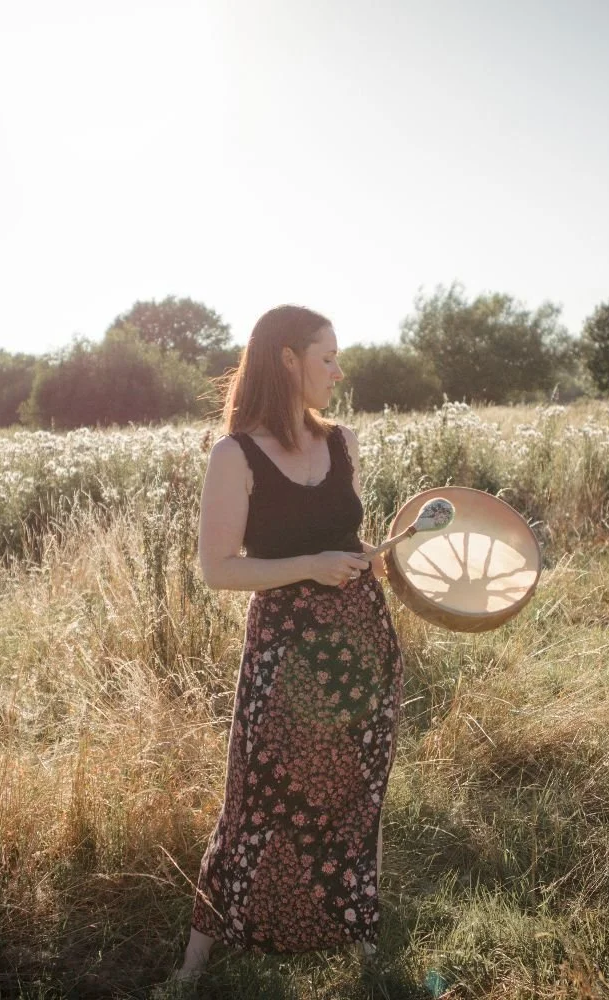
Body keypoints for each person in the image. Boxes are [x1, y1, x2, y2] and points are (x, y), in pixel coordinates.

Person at [161, 305, 405, 990]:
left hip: (362, 644)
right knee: (256, 797)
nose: (339, 370)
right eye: (327, 357)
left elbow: (345, 537)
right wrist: (310, 565)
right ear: (289, 361)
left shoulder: (343, 441)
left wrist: (367, 556)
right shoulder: (234, 454)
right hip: (282, 655)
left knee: (361, 793)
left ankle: (364, 948)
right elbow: (219, 569)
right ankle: (194, 964)